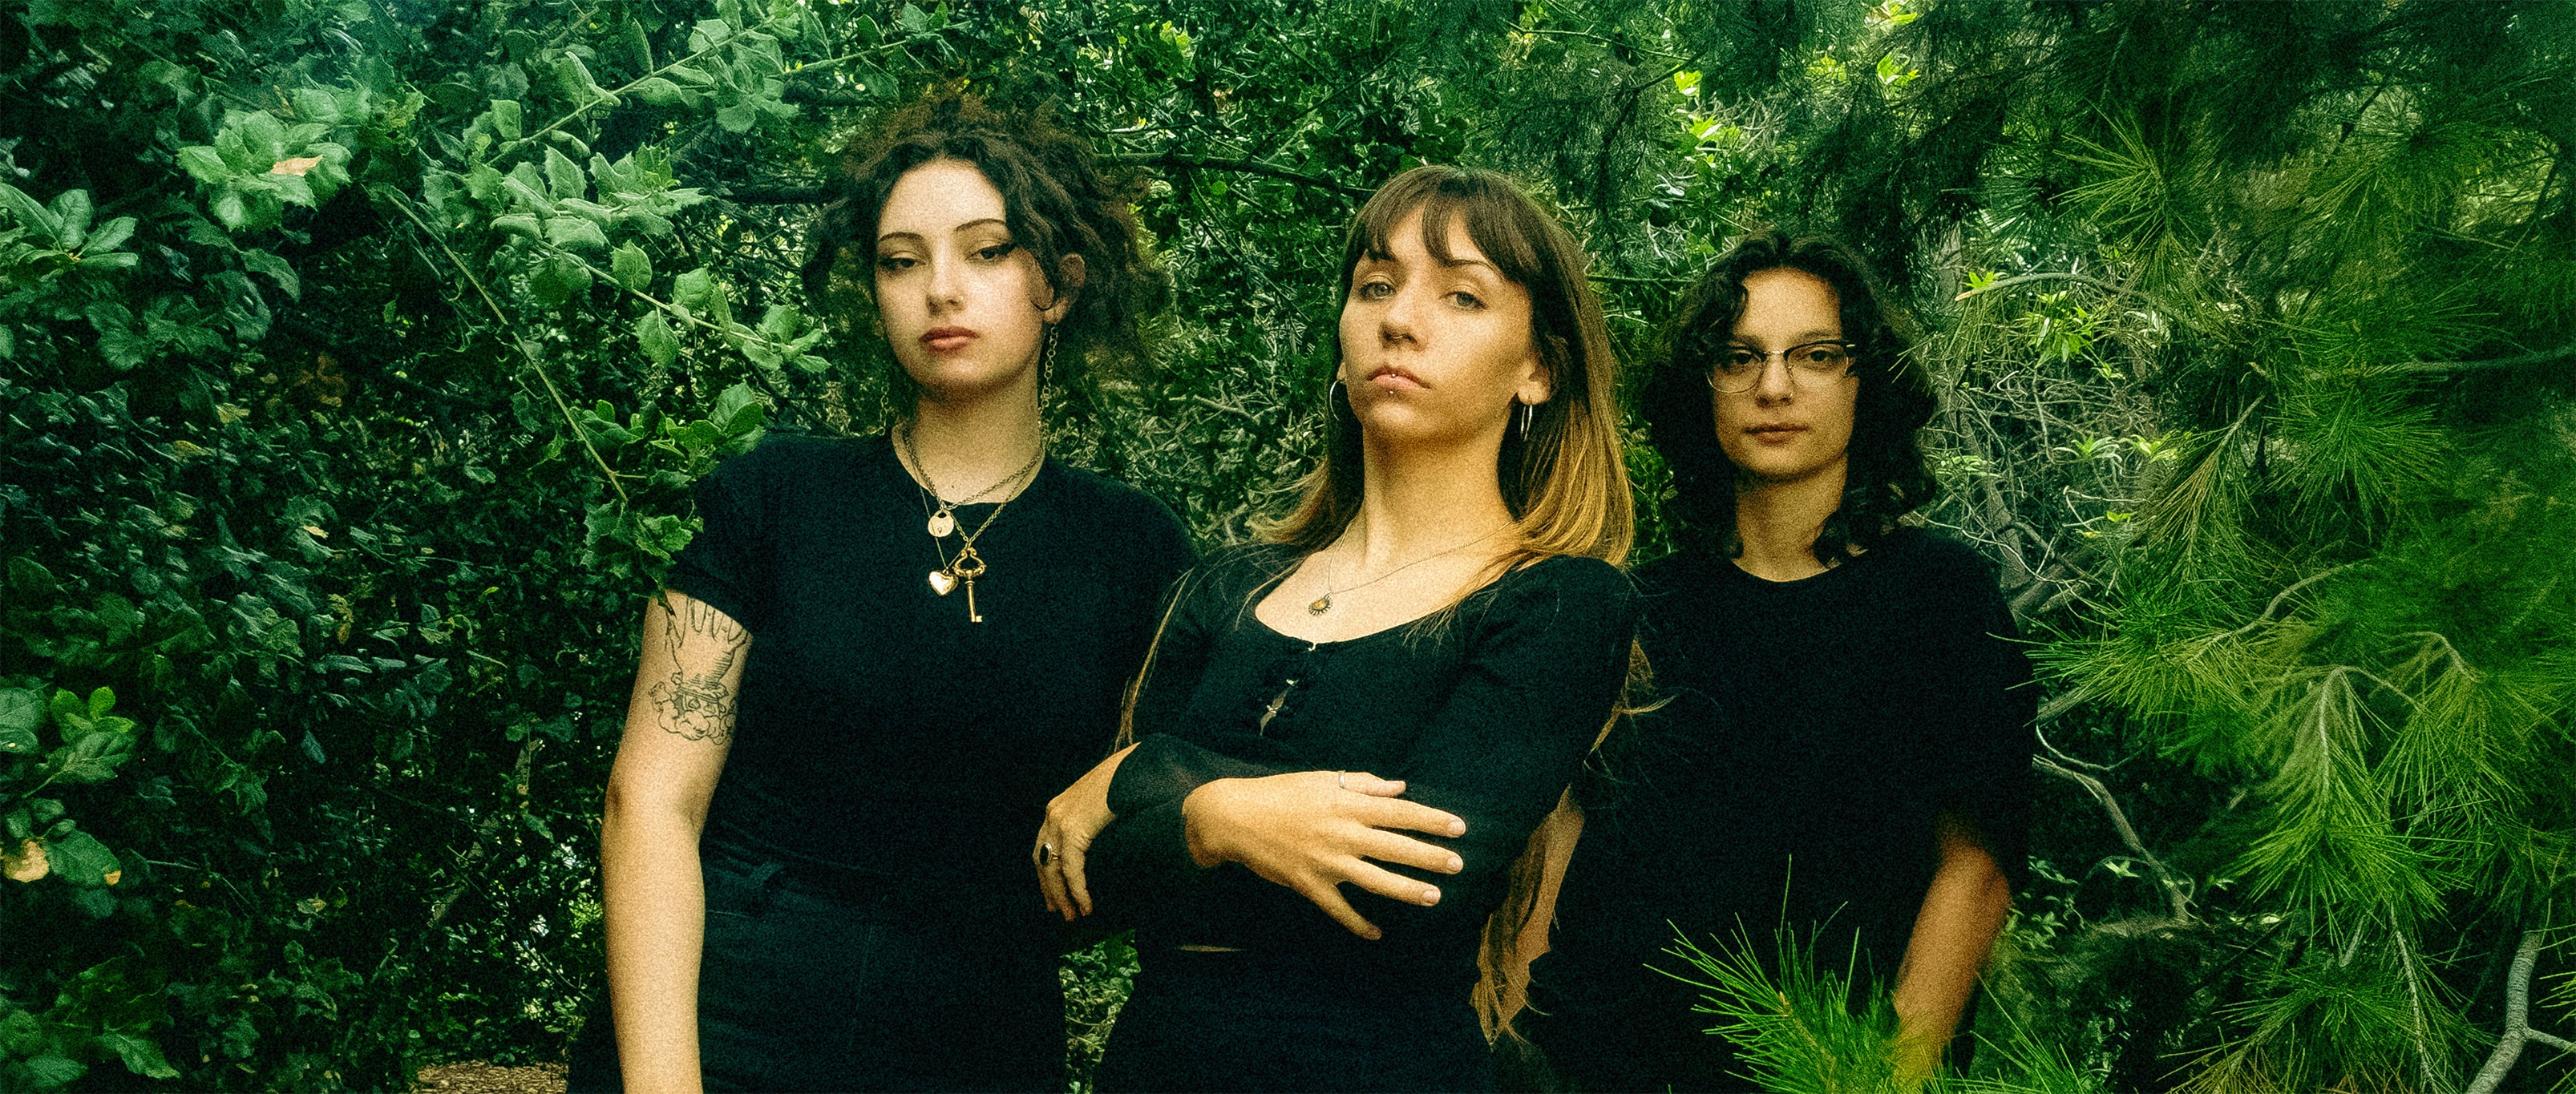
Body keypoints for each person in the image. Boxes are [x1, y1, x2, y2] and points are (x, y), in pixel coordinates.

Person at [568, 91, 1194, 1093]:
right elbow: (648, 802)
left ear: (1060, 285)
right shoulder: (769, 494)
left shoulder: (1136, 548)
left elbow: (1139, 828)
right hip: (726, 1025)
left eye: (987, 251)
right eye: (902, 260)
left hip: (978, 1040)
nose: (941, 288)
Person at [1030, 165, 1641, 1093]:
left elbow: (1409, 892)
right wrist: (1218, 822)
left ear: (1539, 370)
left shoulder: (1558, 603)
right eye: (1376, 285)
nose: (1401, 320)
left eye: (1463, 296)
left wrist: (1167, 781)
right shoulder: (1224, 587)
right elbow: (1085, 887)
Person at [1517, 232, 2036, 1090]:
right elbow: (1560, 847)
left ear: (1865, 381)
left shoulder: (1940, 598)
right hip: (1595, 1063)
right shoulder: (1635, 607)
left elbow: (1975, 871)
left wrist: (1882, 1082)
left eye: (1816, 356)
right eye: (1739, 357)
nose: (1773, 387)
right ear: (1703, 386)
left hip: (1830, 1069)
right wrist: (1517, 1047)